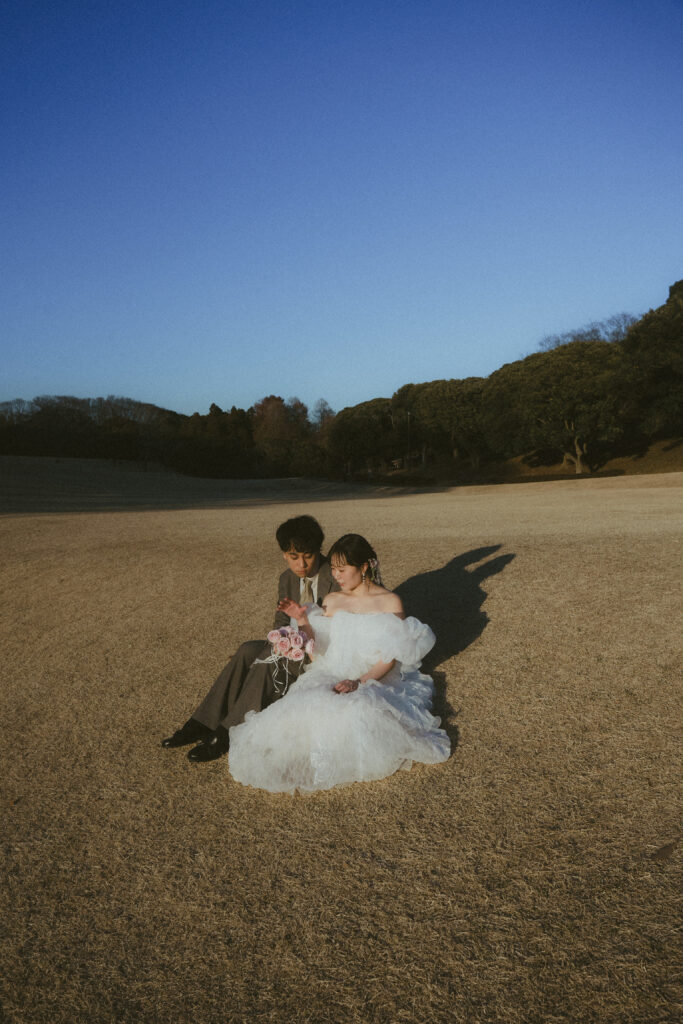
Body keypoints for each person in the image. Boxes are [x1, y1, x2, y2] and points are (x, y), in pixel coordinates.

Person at [228, 534, 451, 792]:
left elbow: (389, 657)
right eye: (333, 569)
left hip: (371, 677)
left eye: (342, 570)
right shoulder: (333, 600)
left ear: (364, 567)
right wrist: (302, 621)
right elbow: (318, 654)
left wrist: (359, 682)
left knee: (358, 712)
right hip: (330, 671)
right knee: (304, 707)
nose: (337, 576)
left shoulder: (390, 602)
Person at [161, 515, 339, 762]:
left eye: (308, 556)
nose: (302, 564)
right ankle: (203, 722)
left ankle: (226, 733)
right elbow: (280, 623)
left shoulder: (335, 575)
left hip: (320, 652)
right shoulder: (286, 579)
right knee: (247, 650)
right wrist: (279, 641)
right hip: (292, 646)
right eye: (293, 557)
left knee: (268, 659)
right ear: (283, 555)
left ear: (318, 551)